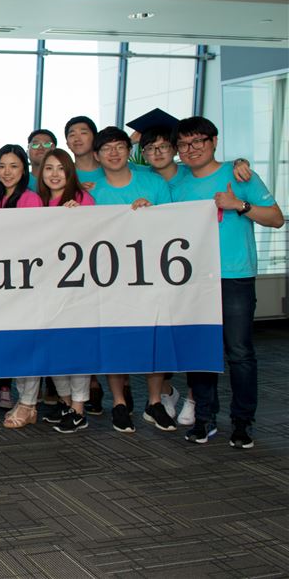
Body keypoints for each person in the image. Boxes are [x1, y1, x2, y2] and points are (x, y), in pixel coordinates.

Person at [173, 117, 284, 448]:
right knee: (200, 351)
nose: (190, 149)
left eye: (198, 141)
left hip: (235, 277)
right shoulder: (178, 182)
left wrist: (240, 205)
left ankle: (242, 421)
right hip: (194, 280)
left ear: (214, 142)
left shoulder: (240, 176)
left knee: (239, 352)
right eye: (184, 144)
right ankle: (205, 418)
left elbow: (276, 218)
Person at [87, 126, 178, 434]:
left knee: (154, 337)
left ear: (129, 151)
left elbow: (174, 224)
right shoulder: (92, 192)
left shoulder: (153, 183)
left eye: (119, 147)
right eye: (106, 148)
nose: (113, 153)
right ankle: (118, 403)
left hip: (152, 274)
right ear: (97, 156)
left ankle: (154, 402)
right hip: (109, 278)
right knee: (115, 338)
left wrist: (152, 214)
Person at [35, 149, 95, 433]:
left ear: (69, 171)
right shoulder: (39, 202)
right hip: (46, 287)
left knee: (75, 347)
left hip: (76, 289)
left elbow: (97, 234)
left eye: (60, 168)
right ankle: (66, 403)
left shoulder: (82, 199)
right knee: (54, 347)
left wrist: (79, 217)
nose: (55, 174)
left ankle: (79, 409)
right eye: (49, 168)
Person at [0, 145, 42, 427]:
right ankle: (24, 400)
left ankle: (29, 403)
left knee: (28, 343)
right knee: (15, 344)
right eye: (2, 166)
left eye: (14, 166)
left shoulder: (31, 199)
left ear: (24, 170)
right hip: (2, 282)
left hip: (25, 281)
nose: (7, 172)